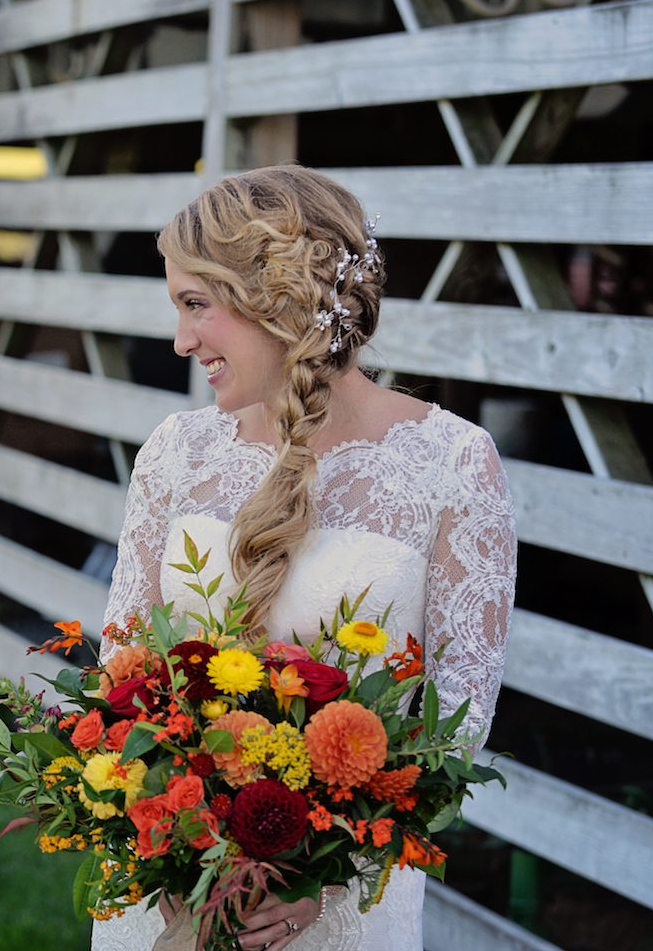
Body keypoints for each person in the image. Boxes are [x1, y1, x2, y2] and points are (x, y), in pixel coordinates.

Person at [93, 165, 516, 951]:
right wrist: (180, 857)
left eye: (195, 305)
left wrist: (311, 878)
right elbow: (121, 679)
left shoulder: (451, 464)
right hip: (168, 897)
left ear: (276, 300)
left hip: (338, 909)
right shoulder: (174, 455)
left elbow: (451, 735)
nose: (180, 340)